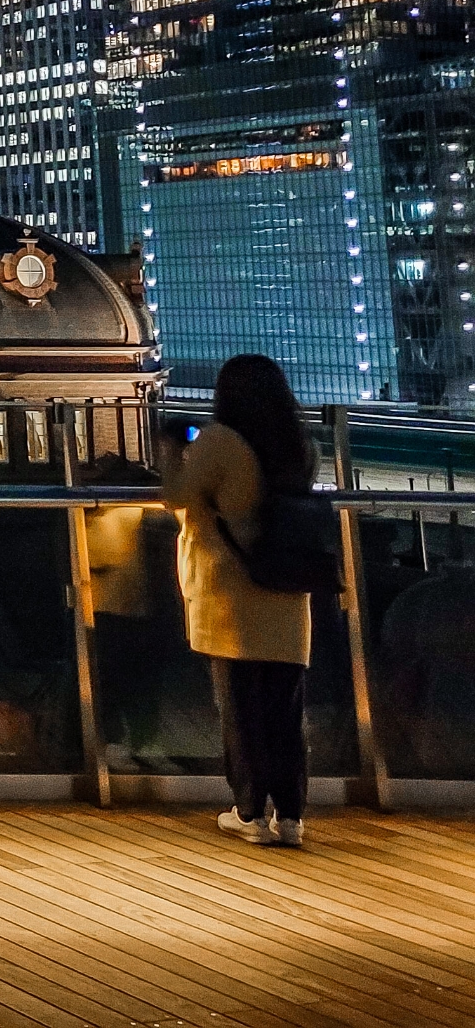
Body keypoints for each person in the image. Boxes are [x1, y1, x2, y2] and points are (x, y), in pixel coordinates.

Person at [162, 353, 316, 847]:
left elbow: (178, 496)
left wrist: (171, 450)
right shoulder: (299, 445)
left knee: (241, 711)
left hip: (231, 594)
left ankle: (250, 813)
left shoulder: (220, 442)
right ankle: (290, 817)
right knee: (285, 712)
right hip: (287, 590)